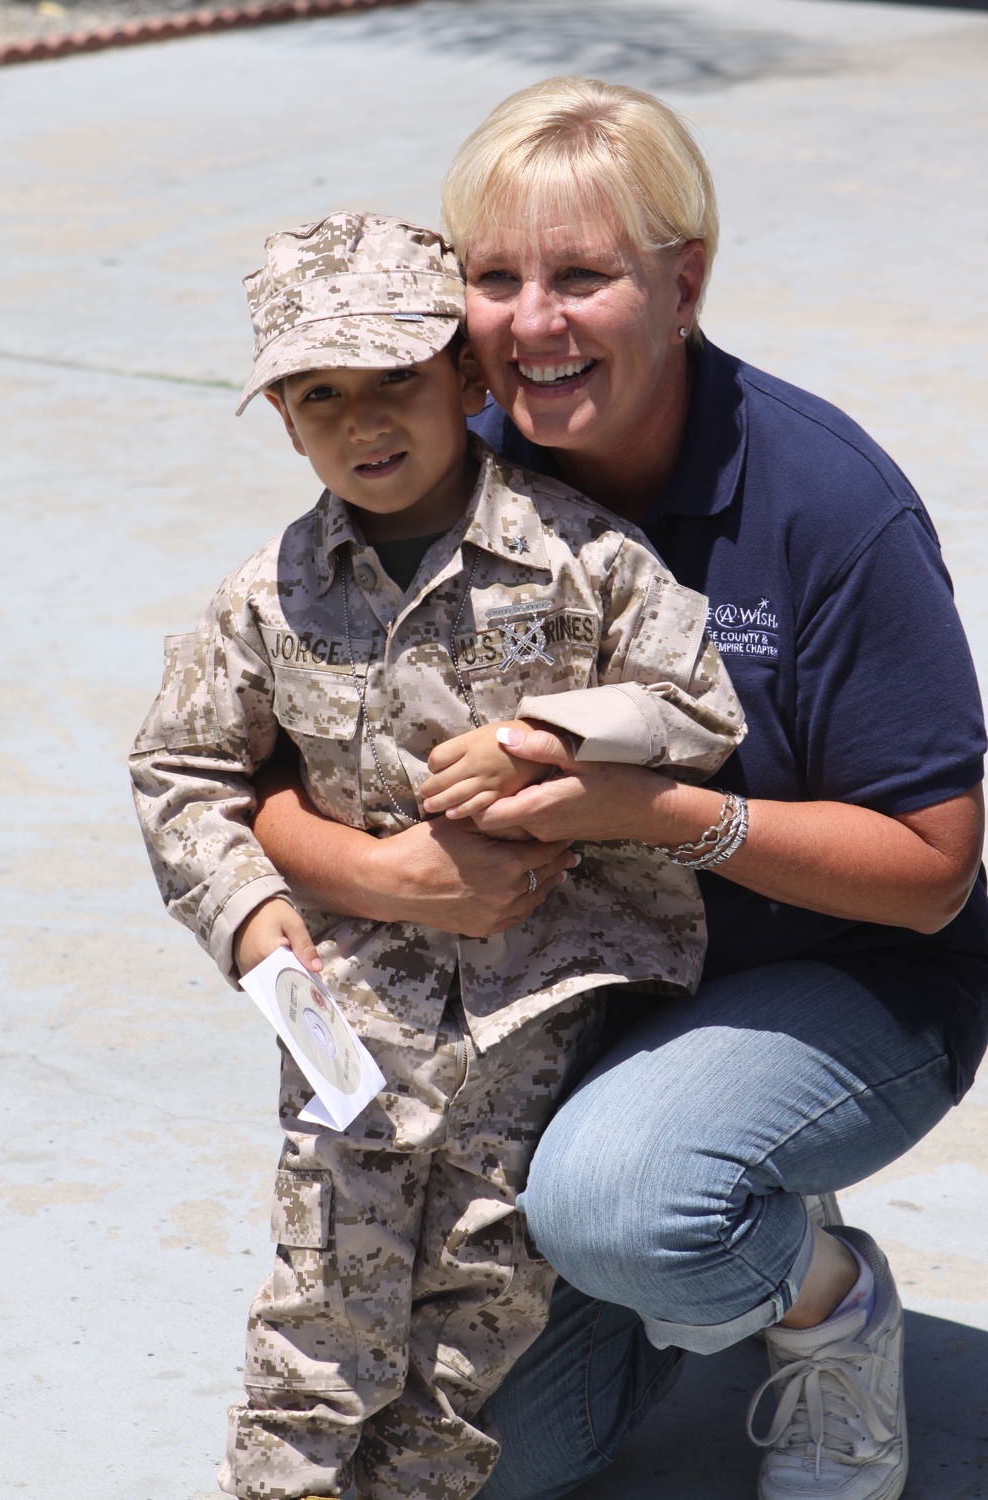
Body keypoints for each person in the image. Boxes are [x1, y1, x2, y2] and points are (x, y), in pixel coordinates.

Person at [251, 79, 988, 1500]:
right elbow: (258, 768)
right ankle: (694, 1212)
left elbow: (934, 867)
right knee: (499, 1459)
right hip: (576, 1009)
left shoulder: (828, 508)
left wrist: (651, 815)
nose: (536, 324)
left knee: (627, 1203)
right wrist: (370, 878)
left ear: (684, 281)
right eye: (498, 279)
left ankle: (823, 1303)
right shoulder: (435, 461)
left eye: (585, 276)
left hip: (838, 972)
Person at [128, 209, 746, 1500]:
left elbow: (698, 708)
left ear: (466, 375)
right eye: (319, 394)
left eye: (396, 380)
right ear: (286, 419)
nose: (363, 422)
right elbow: (181, 770)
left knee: (471, 1327)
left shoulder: (578, 559)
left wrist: (550, 733)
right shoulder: (271, 595)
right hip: (350, 1022)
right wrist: (247, 914)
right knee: (321, 1317)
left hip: (537, 1019)